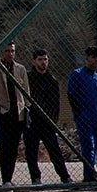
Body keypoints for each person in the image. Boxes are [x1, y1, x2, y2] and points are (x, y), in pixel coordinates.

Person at [0, 40, 31, 188]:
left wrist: (27, 108)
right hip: (4, 111)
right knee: (5, 146)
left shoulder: (20, 69)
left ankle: (9, 178)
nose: (10, 54)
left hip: (18, 112)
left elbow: (26, 91)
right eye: (7, 51)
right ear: (1, 52)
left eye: (12, 51)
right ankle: (5, 178)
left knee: (14, 147)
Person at [24, 48, 73, 184]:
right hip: (32, 120)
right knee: (31, 151)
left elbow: (55, 103)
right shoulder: (28, 78)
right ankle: (35, 177)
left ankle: (65, 176)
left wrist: (53, 120)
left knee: (54, 149)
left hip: (47, 121)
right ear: (34, 61)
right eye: (40, 59)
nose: (43, 62)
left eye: (45, 59)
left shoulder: (51, 80)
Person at [67, 47, 97, 181]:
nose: (96, 60)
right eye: (94, 57)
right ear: (87, 58)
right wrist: (78, 113)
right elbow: (71, 95)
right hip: (84, 116)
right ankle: (89, 175)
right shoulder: (77, 74)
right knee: (88, 146)